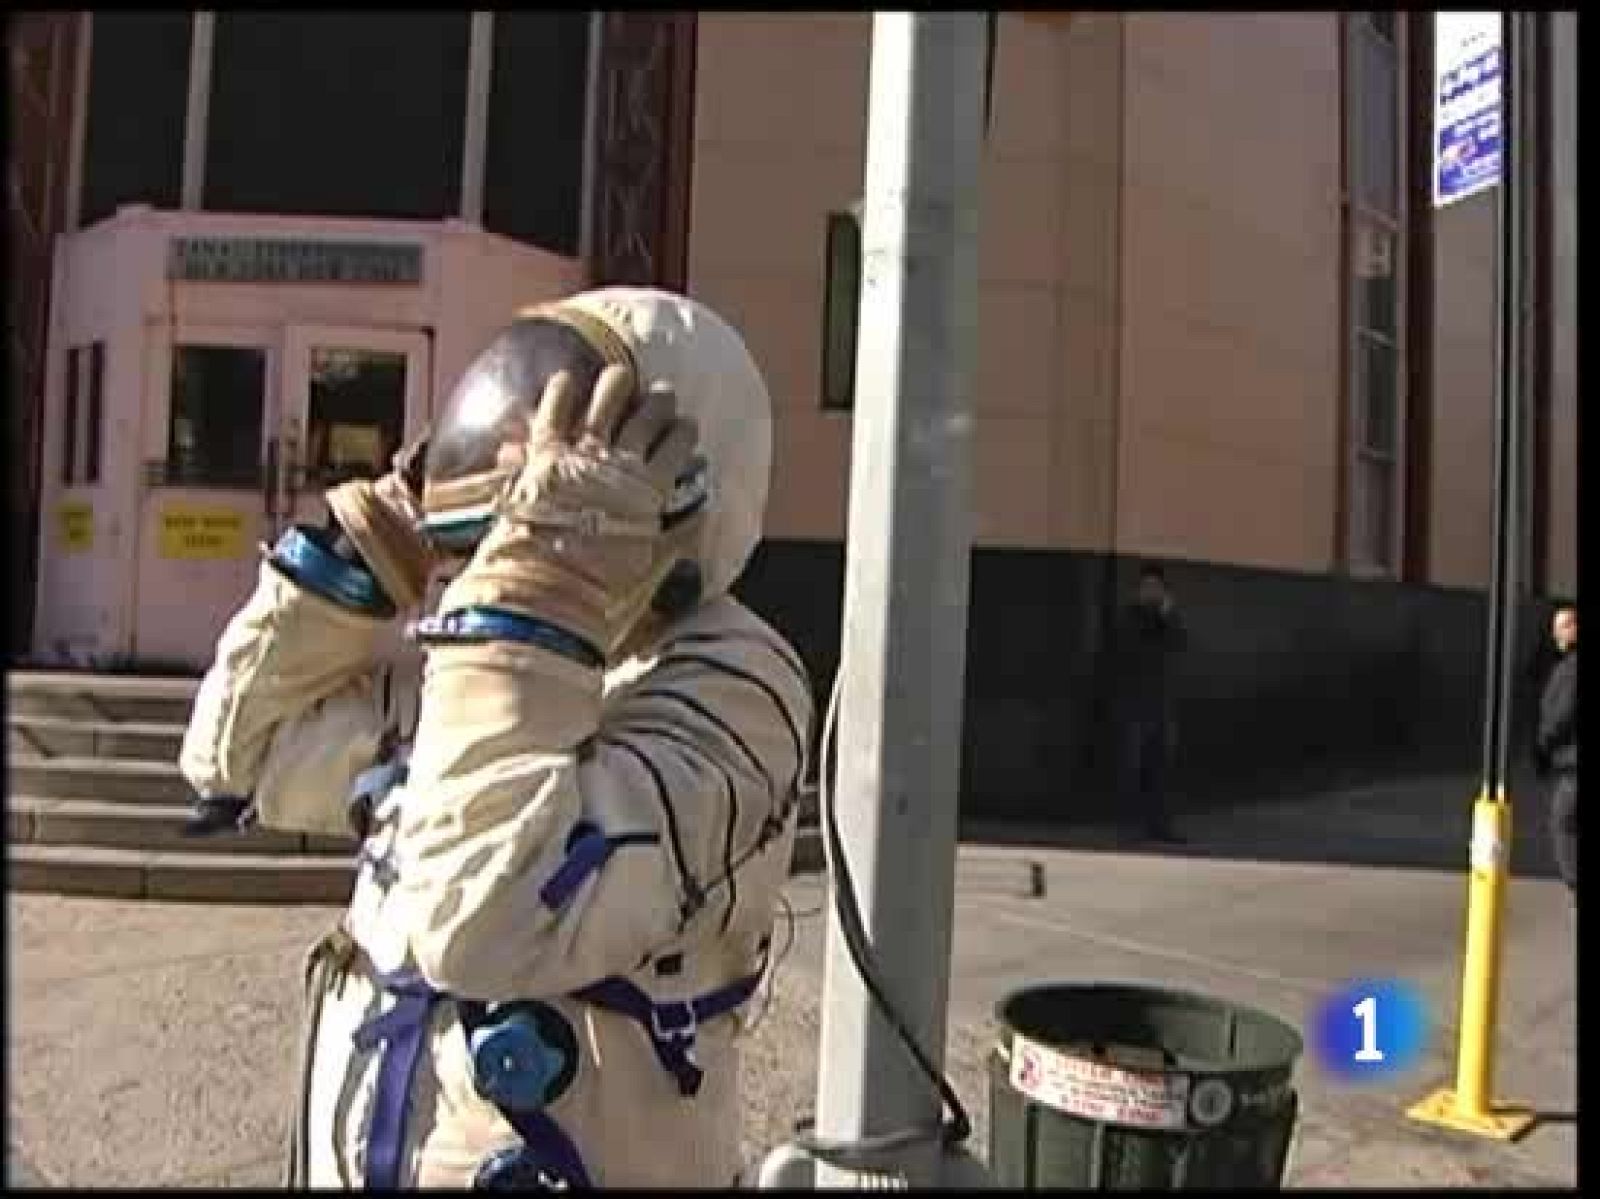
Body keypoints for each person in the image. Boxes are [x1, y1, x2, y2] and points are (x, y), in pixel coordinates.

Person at [178, 288, 814, 1188]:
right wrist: (367, 551)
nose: (522, 482)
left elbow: (484, 921)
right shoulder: (478, 658)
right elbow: (234, 757)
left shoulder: (736, 688)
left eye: (560, 443)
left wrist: (545, 586)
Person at [1114, 565, 1187, 843]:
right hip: (1134, 705)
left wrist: (1169, 615)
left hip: (1162, 705)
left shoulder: (1166, 619)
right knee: (1132, 768)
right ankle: (1129, 826)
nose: (1151, 593)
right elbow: (1133, 653)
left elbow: (1180, 644)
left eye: (1156, 588)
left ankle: (1160, 826)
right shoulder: (1130, 618)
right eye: (1147, 588)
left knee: (1161, 770)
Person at [1534, 602, 1577, 897]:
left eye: (1563, 626)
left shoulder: (1570, 670)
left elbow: (1560, 715)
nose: (1556, 634)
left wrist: (1543, 745)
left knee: (1564, 822)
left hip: (1573, 764)